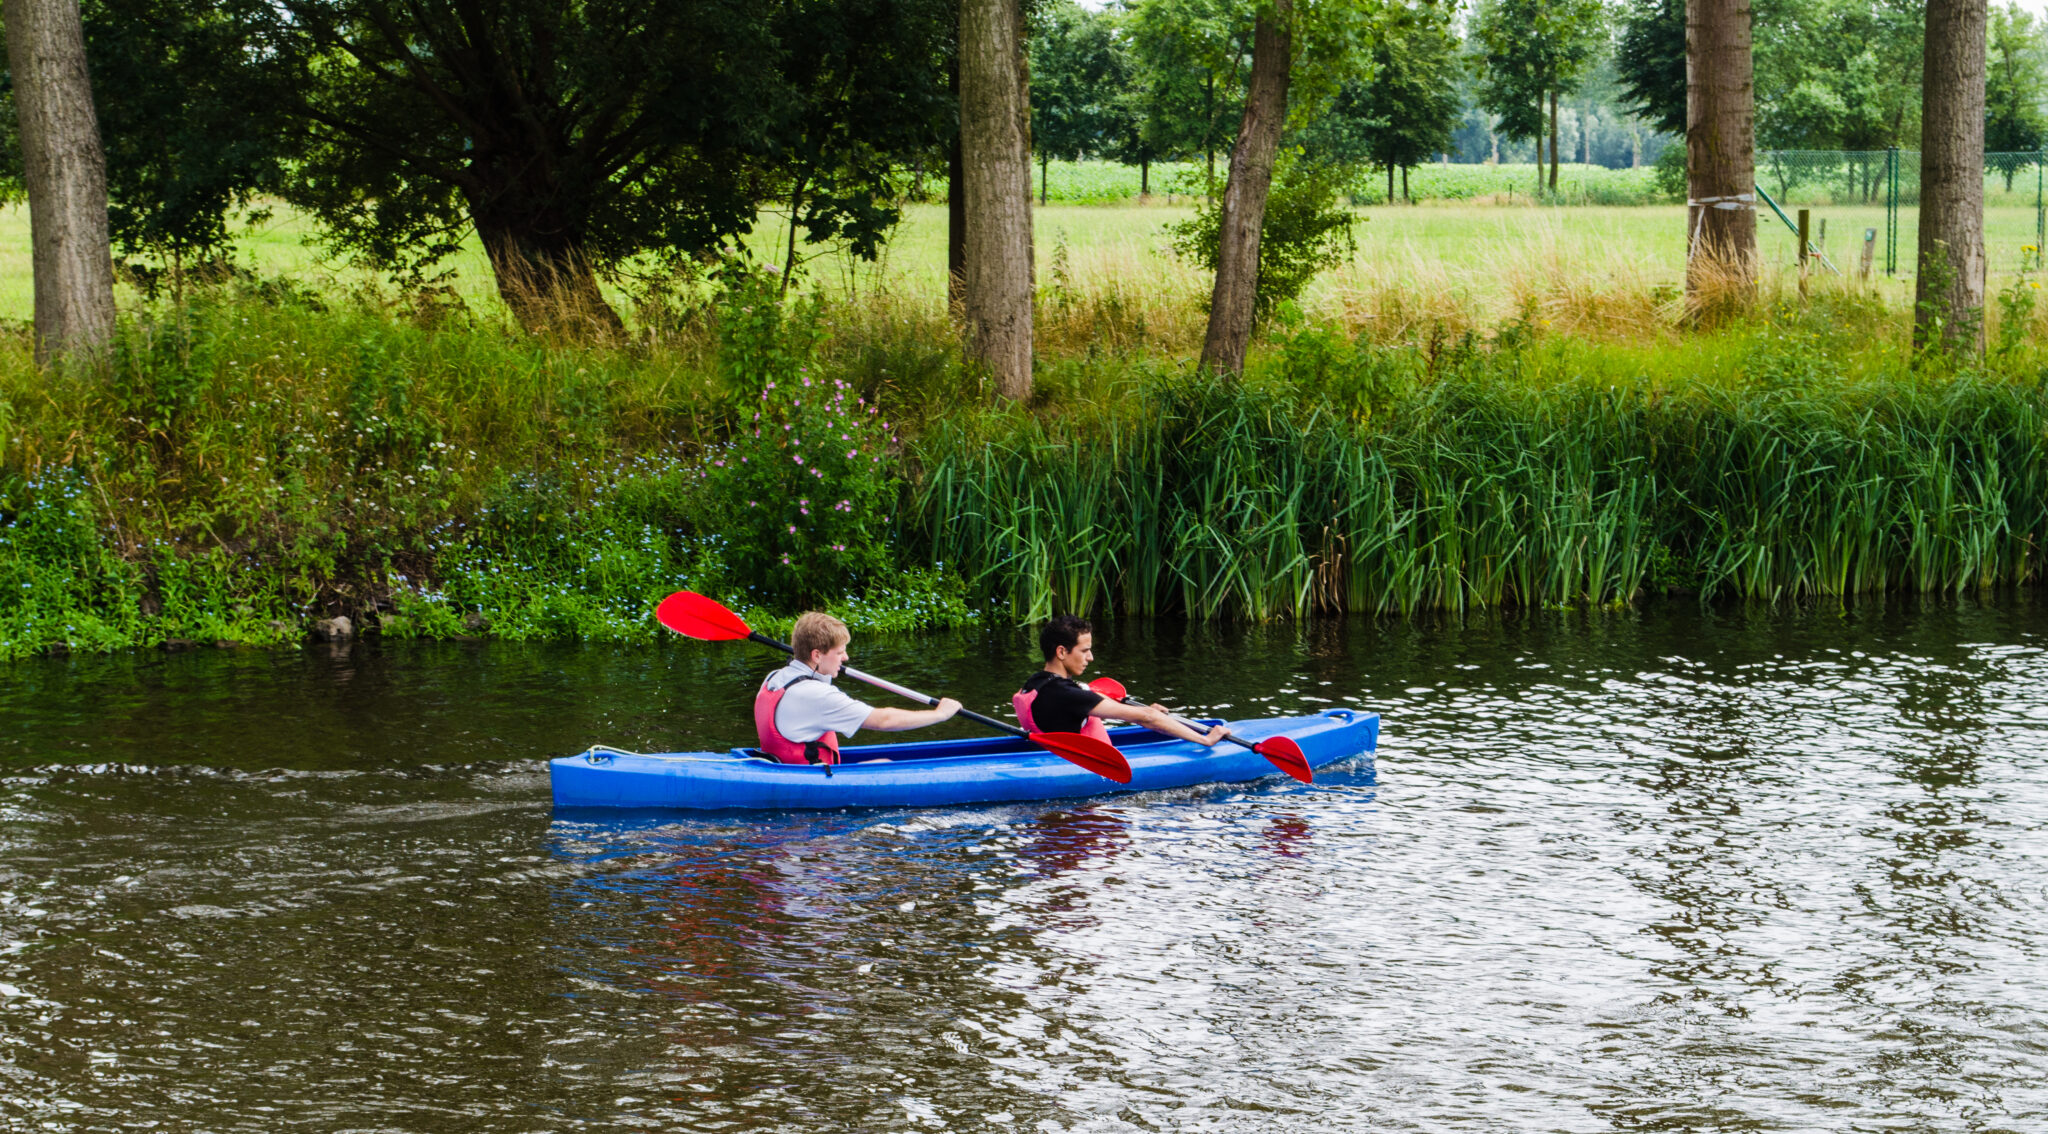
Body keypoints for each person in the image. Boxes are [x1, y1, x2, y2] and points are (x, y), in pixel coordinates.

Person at [755, 612, 961, 766]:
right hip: (812, 781)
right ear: (817, 655)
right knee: (885, 766)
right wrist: (940, 714)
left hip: (785, 767)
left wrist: (827, 669)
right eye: (840, 652)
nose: (846, 658)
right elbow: (884, 720)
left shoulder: (775, 677)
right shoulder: (816, 695)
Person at [1013, 614, 1230, 747]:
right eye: (1085, 650)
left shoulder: (1035, 684)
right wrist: (1206, 739)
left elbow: (1083, 699)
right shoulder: (1069, 695)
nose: (1091, 658)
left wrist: (1143, 710)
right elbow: (1148, 718)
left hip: (1055, 757)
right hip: (1084, 767)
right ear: (1061, 652)